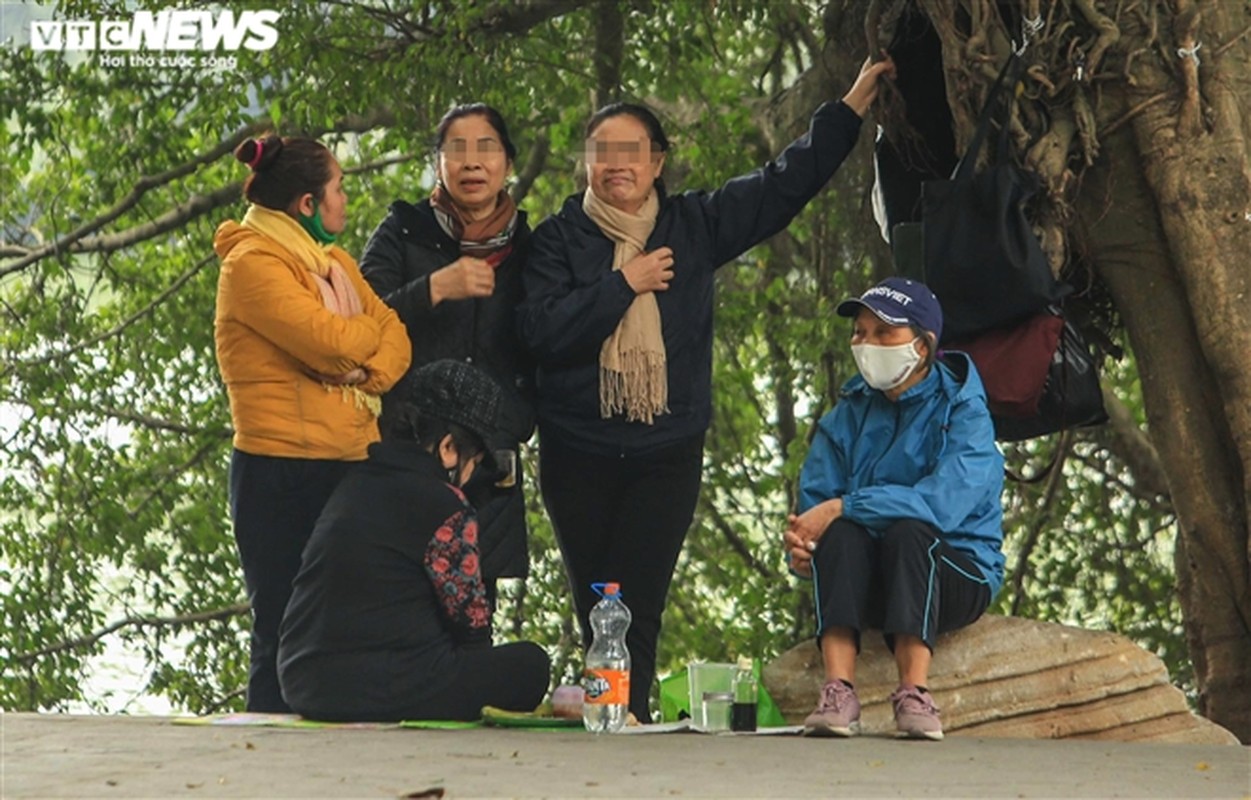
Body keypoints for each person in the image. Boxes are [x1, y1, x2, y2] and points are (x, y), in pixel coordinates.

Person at [519, 57, 896, 722]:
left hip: (666, 446)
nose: (615, 165)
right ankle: (609, 711)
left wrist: (849, 109)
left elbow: (783, 186)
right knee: (594, 599)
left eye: (631, 152)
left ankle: (625, 718)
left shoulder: (693, 227)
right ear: (586, 162)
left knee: (640, 598)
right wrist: (623, 284)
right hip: (577, 445)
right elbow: (542, 332)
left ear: (657, 162)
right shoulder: (554, 240)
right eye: (602, 152)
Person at [213, 135, 411, 712]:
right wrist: (358, 348)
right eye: (339, 188)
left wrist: (363, 367)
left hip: (352, 463)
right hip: (280, 471)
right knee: (281, 624)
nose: (346, 199)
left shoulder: (334, 263)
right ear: (306, 203)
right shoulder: (252, 264)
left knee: (349, 623)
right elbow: (333, 344)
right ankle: (266, 762)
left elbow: (396, 336)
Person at [784, 277, 1005, 741]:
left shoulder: (964, 409)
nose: (867, 344)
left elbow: (942, 506)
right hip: (875, 576)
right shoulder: (847, 413)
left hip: (956, 573)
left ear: (922, 348)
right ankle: (839, 691)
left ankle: (914, 693)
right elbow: (817, 508)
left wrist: (846, 505)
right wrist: (805, 550)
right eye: (861, 333)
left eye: (885, 334)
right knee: (841, 534)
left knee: (910, 531)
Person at [277, 360, 551, 721]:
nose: (471, 476)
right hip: (380, 686)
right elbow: (472, 628)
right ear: (450, 448)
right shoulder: (446, 504)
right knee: (531, 664)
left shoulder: (354, 483)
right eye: (475, 461)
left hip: (303, 683)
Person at [360, 104, 534, 595]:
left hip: (489, 464)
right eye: (456, 150)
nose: (472, 163)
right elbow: (358, 324)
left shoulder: (529, 247)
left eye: (487, 149)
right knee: (395, 602)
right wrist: (434, 288)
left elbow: (547, 338)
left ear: (509, 163)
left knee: (474, 620)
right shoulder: (403, 229)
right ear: (437, 164)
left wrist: (515, 421)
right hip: (406, 451)